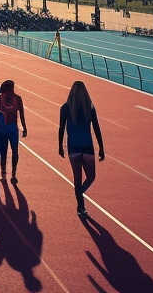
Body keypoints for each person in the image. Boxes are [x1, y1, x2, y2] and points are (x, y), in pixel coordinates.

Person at [58, 80, 105, 218]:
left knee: (77, 179)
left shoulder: (66, 107)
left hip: (73, 147)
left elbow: (61, 128)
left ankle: (80, 204)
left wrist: (60, 146)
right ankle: (80, 201)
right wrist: (101, 147)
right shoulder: (89, 107)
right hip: (87, 145)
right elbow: (96, 128)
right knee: (91, 177)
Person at [0, 80, 28, 182]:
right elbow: (21, 114)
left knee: (7, 151)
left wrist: (24, 127)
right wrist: (24, 127)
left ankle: (6, 173)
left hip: (7, 127)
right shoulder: (15, 98)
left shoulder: (1, 98)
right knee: (9, 151)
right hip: (10, 128)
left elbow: (20, 113)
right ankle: (9, 173)